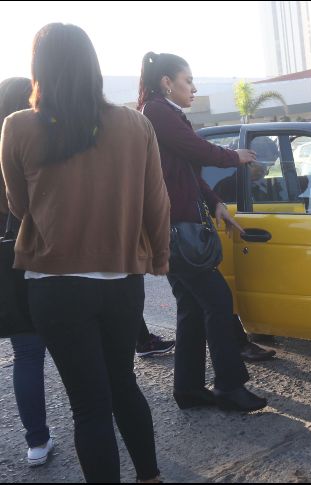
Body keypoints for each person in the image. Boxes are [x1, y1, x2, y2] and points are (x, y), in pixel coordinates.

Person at [1, 24, 167, 483]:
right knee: (124, 388)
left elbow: (17, 206)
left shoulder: (17, 127)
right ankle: (150, 477)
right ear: (93, 66)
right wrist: (160, 260)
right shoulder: (136, 124)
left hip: (54, 287)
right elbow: (158, 202)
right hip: (121, 282)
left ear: (40, 68)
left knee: (89, 407)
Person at [137, 51, 269, 412]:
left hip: (177, 227)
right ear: (167, 82)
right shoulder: (157, 112)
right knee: (217, 301)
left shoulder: (162, 113)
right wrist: (233, 156)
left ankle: (189, 389)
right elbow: (198, 151)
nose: (193, 88)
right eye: (188, 81)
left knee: (192, 308)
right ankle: (228, 386)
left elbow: (188, 174)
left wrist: (216, 204)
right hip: (175, 229)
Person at [0, 77, 55, 467]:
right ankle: (101, 421)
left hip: (7, 265)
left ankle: (37, 442)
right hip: (44, 252)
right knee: (79, 345)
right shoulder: (34, 140)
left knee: (27, 353)